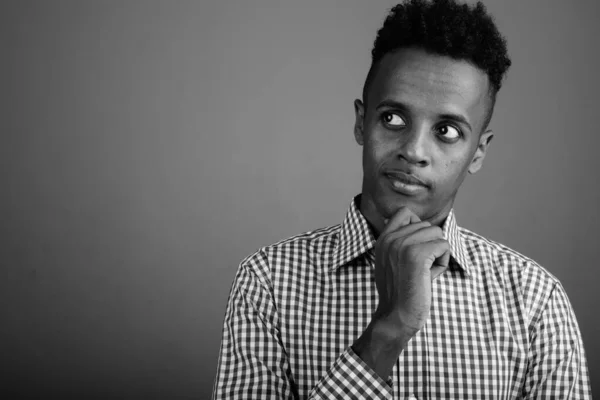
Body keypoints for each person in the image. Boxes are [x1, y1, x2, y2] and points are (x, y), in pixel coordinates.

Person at [212, 0, 592, 398]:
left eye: (446, 130)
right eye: (393, 118)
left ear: (478, 152)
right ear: (362, 122)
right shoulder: (268, 283)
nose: (413, 150)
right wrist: (389, 330)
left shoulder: (534, 300)